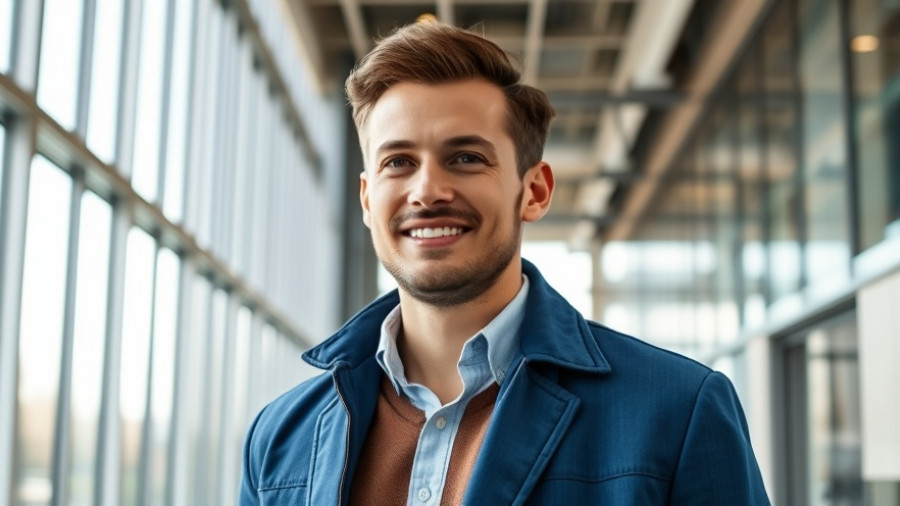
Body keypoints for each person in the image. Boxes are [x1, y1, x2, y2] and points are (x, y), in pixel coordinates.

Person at [240, 21, 769, 505]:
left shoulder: (677, 413)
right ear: (366, 199)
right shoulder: (281, 437)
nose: (427, 191)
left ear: (533, 191)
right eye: (398, 162)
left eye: (466, 157)